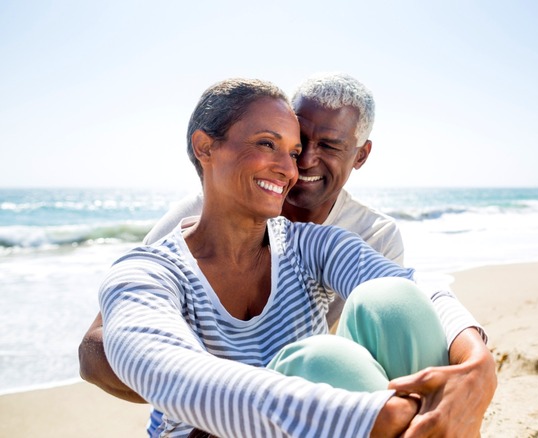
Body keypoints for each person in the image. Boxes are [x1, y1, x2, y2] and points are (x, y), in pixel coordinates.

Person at [94, 78, 496, 437]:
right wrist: (364, 416)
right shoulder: (146, 270)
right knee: (323, 363)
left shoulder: (313, 244)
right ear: (205, 147)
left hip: (322, 417)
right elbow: (162, 368)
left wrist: (476, 361)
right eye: (268, 144)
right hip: (213, 430)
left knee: (390, 301)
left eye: (293, 149)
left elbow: (414, 290)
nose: (293, 166)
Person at [80, 73, 403, 408]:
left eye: (330, 146)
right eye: (296, 143)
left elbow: (390, 339)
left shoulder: (369, 237)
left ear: (361, 155)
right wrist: (209, 401)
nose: (302, 162)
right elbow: (100, 342)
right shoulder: (197, 216)